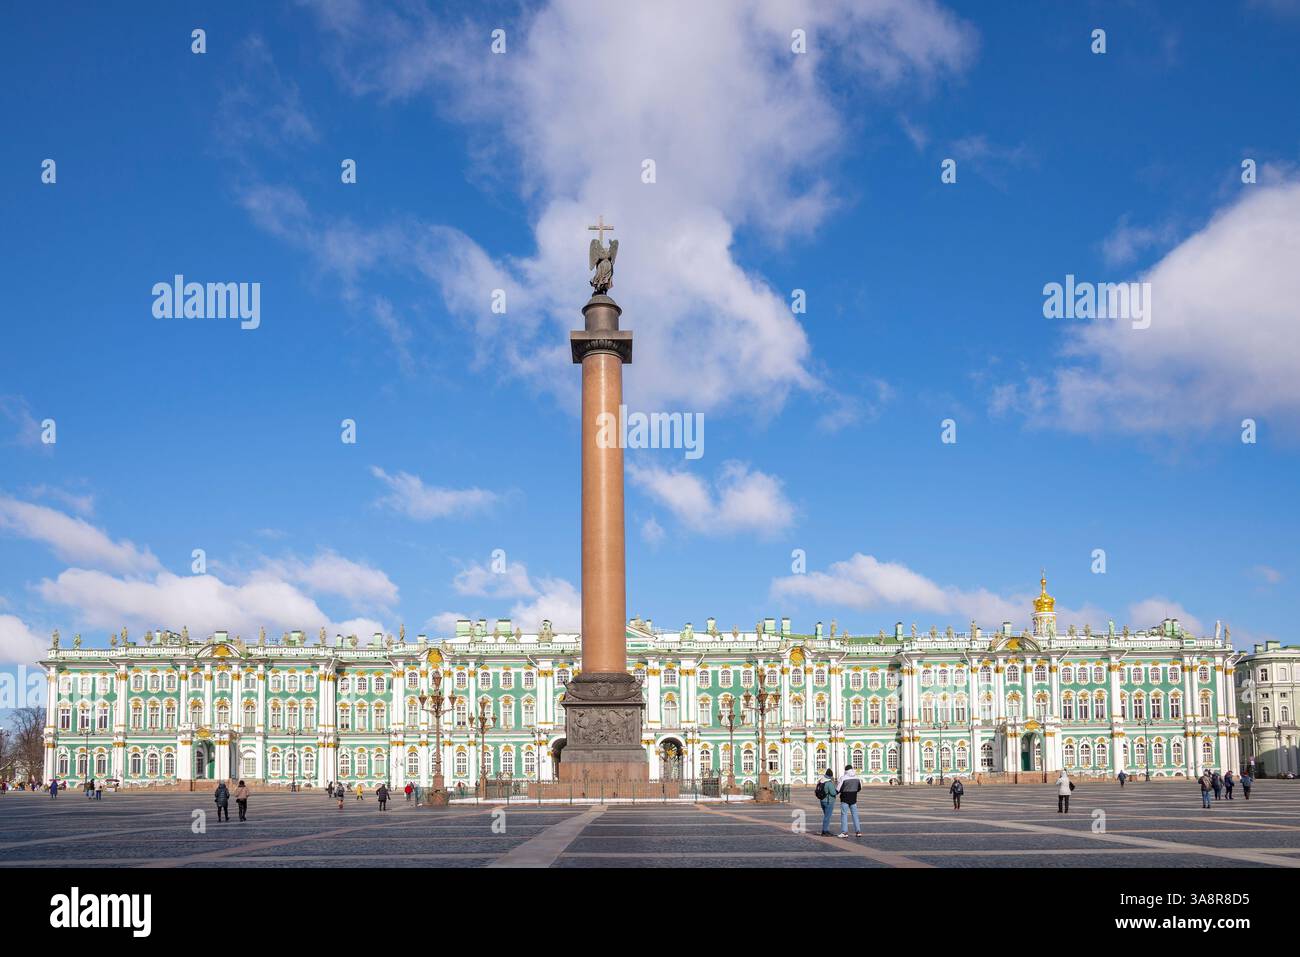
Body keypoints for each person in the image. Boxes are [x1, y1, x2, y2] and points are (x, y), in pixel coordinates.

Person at [836, 764, 862, 838]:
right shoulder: (857, 778)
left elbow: (838, 789)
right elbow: (859, 788)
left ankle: (844, 832)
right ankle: (858, 831)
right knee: (855, 815)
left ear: (845, 770)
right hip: (854, 799)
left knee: (844, 815)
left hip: (844, 799)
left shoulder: (843, 778)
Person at [815, 768, 837, 835]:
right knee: (827, 817)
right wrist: (836, 790)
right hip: (828, 801)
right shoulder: (829, 783)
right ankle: (825, 831)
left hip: (822, 801)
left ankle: (825, 830)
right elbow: (833, 793)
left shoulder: (821, 781)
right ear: (831, 776)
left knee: (826, 816)